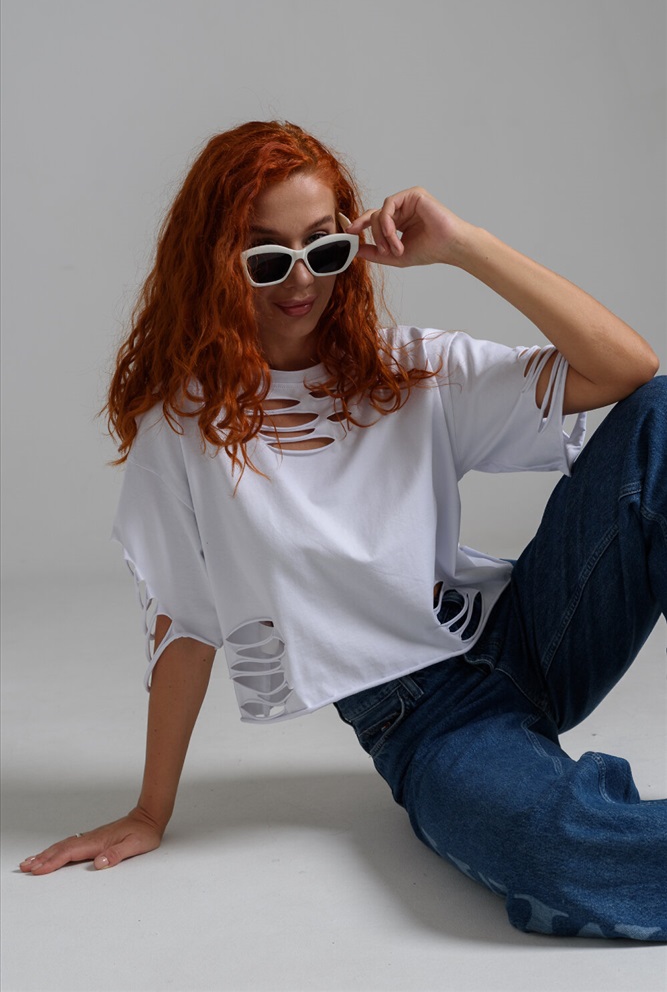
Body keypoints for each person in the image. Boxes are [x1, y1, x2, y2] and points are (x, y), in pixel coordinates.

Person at [20, 121, 666, 940]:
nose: (301, 281)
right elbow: (184, 623)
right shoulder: (181, 429)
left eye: (323, 250)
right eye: (266, 258)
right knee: (552, 852)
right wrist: (151, 810)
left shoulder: (408, 371)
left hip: (534, 630)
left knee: (662, 419)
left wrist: (464, 245)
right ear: (214, 261)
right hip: (428, 718)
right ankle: (568, 812)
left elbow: (628, 371)